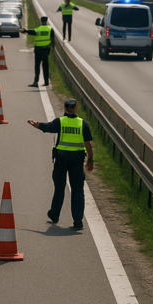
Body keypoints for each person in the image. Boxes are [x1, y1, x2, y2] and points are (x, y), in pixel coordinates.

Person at [27, 98, 94, 230]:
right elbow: (88, 143)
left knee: (59, 188)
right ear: (76, 108)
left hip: (61, 159)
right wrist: (90, 159)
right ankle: (78, 220)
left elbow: (47, 127)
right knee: (77, 190)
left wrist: (37, 124)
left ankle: (54, 214)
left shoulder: (60, 122)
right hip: (77, 159)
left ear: (65, 108)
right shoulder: (83, 124)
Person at [20, 15, 53, 87]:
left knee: (37, 66)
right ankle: (46, 82)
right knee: (45, 66)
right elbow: (52, 39)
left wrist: (25, 31)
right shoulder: (50, 29)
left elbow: (31, 31)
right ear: (46, 21)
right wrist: (52, 48)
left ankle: (36, 82)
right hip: (46, 49)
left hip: (38, 50)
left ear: (41, 21)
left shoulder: (38, 29)